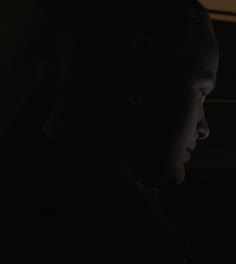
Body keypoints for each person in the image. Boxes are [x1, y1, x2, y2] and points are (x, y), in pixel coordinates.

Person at [4, 0, 218, 263]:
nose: (204, 129)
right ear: (141, 72)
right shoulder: (106, 229)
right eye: (200, 92)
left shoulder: (38, 177)